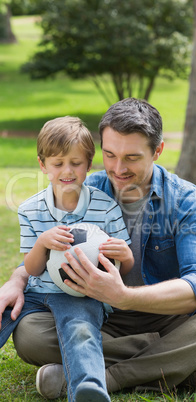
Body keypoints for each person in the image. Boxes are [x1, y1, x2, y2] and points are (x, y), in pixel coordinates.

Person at [0, 99, 196, 399]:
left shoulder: (185, 199)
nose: (118, 169)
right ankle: (182, 366)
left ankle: (101, 379)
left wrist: (123, 295)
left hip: (167, 319)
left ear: (157, 151)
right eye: (109, 155)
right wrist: (17, 279)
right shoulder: (85, 190)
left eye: (132, 157)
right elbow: (53, 249)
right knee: (30, 334)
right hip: (101, 319)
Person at [0, 116, 134, 402]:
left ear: (88, 164)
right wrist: (42, 243)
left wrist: (125, 254)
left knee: (80, 330)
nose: (67, 171)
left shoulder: (105, 206)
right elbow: (32, 268)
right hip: (37, 293)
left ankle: (89, 389)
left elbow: (123, 266)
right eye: (58, 163)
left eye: (75, 163)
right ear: (43, 165)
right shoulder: (30, 209)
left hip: (82, 294)